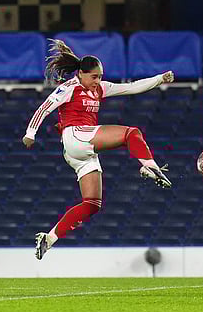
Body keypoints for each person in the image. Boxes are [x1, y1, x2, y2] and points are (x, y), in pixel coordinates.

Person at [22, 39, 174, 260]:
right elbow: (44, 107)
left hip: (82, 152)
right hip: (75, 136)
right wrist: (30, 133)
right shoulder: (69, 87)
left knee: (92, 204)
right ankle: (150, 167)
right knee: (131, 133)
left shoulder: (100, 88)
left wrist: (160, 79)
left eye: (100, 76)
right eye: (94, 76)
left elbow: (131, 88)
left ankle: (49, 238)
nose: (98, 81)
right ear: (81, 74)